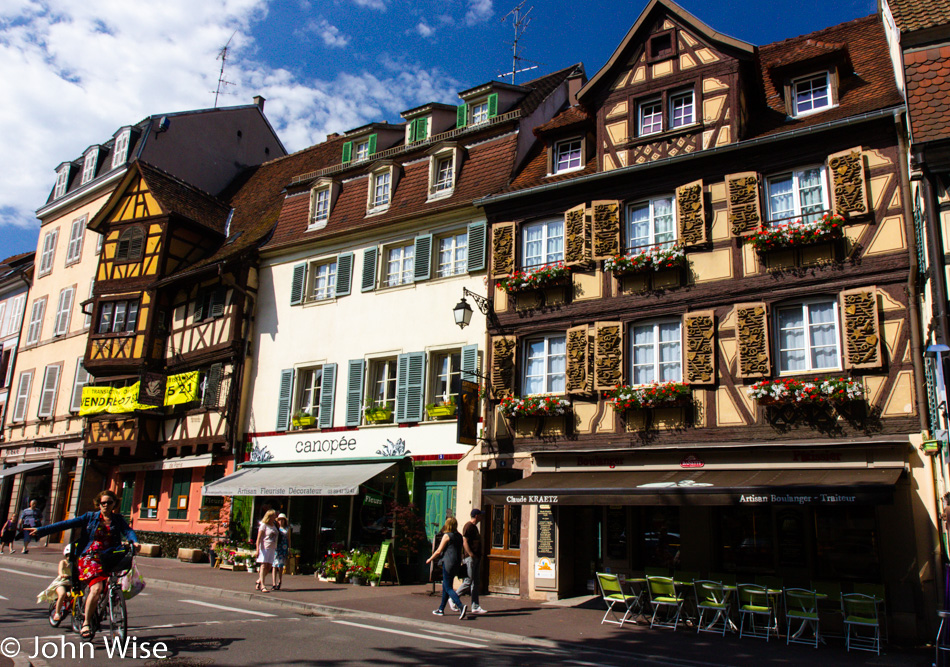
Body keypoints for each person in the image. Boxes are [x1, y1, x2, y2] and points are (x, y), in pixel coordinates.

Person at [29, 489, 138, 640]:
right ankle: (87, 622)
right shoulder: (90, 517)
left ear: (114, 504)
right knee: (97, 587)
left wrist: (135, 541)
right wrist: (41, 530)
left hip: (110, 556)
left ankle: (106, 603)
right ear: (98, 504)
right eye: (103, 503)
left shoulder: (118, 519)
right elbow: (66, 524)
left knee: (110, 584)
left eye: (109, 503)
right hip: (90, 557)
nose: (106, 505)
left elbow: (129, 531)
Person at [425, 517, 466, 619]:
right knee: (445, 587)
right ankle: (441, 609)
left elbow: (439, 551)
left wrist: (430, 559)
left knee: (448, 587)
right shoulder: (459, 536)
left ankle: (461, 605)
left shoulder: (447, 536)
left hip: (448, 563)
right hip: (456, 563)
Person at [451, 508, 486, 614]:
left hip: (475, 557)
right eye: (480, 515)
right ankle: (453, 598)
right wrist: (470, 554)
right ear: (476, 516)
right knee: (468, 581)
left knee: (475, 582)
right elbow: (464, 541)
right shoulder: (469, 526)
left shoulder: (474, 527)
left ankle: (475, 606)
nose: (481, 517)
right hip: (469, 558)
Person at [37, 545, 73, 621]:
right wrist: (62, 575)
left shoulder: (75, 563)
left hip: (71, 583)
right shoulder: (63, 562)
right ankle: (57, 613)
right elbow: (60, 571)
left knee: (75, 595)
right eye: (69, 555)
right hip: (61, 583)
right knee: (62, 594)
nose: (70, 557)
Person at [254, 509, 278, 593]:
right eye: (274, 515)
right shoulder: (263, 525)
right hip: (265, 547)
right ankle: (262, 585)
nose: (275, 517)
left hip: (272, 548)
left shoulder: (274, 525)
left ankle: (259, 580)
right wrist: (257, 549)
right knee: (264, 565)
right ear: (269, 516)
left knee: (269, 566)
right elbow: (259, 538)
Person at [272, 513, 291, 590]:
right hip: (276, 547)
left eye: (282, 520)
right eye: (279, 520)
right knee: (274, 565)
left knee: (280, 566)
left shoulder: (287, 529)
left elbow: (289, 538)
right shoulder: (276, 528)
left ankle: (279, 581)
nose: (280, 521)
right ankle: (273, 583)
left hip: (283, 547)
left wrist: (289, 548)